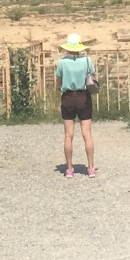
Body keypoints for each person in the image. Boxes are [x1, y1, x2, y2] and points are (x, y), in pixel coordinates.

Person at [55, 34, 97, 178]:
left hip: (68, 97)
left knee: (68, 135)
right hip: (83, 97)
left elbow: (58, 81)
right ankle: (91, 168)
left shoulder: (62, 62)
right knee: (87, 134)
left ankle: (69, 168)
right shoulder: (86, 60)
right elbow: (92, 75)